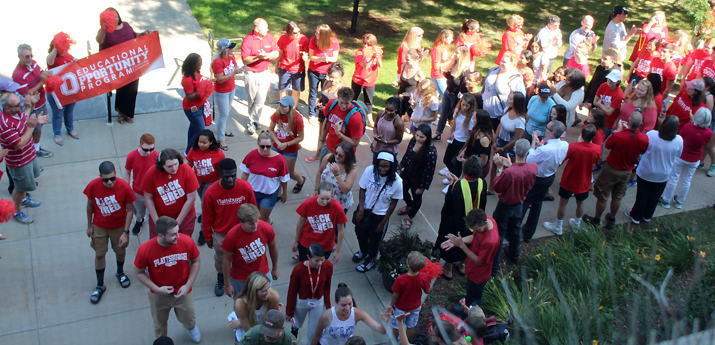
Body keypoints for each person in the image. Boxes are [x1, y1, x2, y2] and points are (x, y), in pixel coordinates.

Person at [133, 216, 201, 342]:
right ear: (160, 235)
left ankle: (191, 328)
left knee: (189, 317)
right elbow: (139, 272)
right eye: (173, 234)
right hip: (159, 294)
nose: (178, 236)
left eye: (178, 232)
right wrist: (156, 289)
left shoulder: (186, 241)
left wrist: (187, 285)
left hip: (183, 290)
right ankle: (161, 340)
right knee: (160, 323)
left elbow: (196, 261)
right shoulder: (145, 250)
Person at [202, 158, 257, 297]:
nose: (231, 179)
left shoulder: (245, 187)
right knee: (221, 258)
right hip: (222, 234)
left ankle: (245, 278)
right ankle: (222, 278)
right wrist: (208, 236)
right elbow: (207, 217)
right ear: (219, 174)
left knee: (245, 256)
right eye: (227, 177)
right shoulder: (211, 192)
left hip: (243, 231)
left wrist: (254, 229)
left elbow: (254, 210)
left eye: (233, 175)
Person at [583, 112, 649, 228]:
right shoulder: (644, 138)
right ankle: (612, 219)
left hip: (611, 169)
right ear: (641, 124)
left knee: (603, 196)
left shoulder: (618, 136)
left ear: (628, 121)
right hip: (626, 172)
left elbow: (607, 145)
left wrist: (618, 130)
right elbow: (643, 152)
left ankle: (596, 219)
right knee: (617, 197)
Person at [84, 161, 136, 304]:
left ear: (116, 174)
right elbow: (90, 205)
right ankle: (100, 285)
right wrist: (89, 225)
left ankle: (120, 272)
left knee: (120, 251)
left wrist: (125, 232)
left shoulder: (124, 187)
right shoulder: (93, 186)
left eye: (112, 178)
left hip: (119, 226)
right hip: (100, 226)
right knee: (99, 254)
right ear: (100, 176)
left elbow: (130, 210)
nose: (109, 182)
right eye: (105, 179)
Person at [543, 125, 602, 234]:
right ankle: (576, 224)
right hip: (584, 181)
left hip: (569, 179)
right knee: (580, 203)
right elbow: (597, 162)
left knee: (563, 202)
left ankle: (558, 225)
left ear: (581, 135)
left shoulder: (574, 146)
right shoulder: (597, 149)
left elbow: (564, 159)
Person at [96, 7, 150, 124]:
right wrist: (103, 29)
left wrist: (143, 34)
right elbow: (99, 41)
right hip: (117, 67)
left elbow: (134, 35)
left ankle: (129, 113)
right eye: (111, 17)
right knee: (122, 90)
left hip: (131, 64)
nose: (114, 19)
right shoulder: (105, 31)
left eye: (115, 16)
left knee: (132, 90)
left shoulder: (126, 25)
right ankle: (121, 112)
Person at [624, 116, 682, 224]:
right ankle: (647, 216)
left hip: (646, 172)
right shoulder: (679, 140)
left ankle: (636, 216)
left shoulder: (652, 135)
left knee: (642, 195)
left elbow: (643, 148)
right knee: (654, 197)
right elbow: (678, 154)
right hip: (663, 175)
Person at [437, 156, 487, 280]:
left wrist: (451, 184)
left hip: (455, 222)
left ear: (464, 171)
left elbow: (448, 202)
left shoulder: (458, 186)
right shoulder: (482, 183)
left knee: (453, 242)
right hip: (473, 223)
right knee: (468, 242)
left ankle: (448, 269)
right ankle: (462, 266)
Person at [0, 93, 47, 224]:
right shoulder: (5, 124)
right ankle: (16, 211)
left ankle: (24, 198)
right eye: (17, 104)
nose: (20, 105)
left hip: (29, 157)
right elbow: (19, 144)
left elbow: (24, 119)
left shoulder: (16, 112)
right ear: (8, 108)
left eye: (20, 102)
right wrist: (32, 127)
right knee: (19, 187)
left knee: (24, 185)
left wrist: (29, 106)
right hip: (19, 162)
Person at [352, 152, 403, 272]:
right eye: (380, 166)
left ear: (391, 166)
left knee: (375, 240)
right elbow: (362, 189)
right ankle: (363, 251)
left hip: (380, 215)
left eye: (386, 166)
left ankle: (370, 259)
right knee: (360, 233)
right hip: (365, 210)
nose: (383, 169)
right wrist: (361, 209)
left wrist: (383, 222)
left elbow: (393, 204)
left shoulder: (397, 182)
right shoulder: (369, 171)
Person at [491, 139, 538, 269]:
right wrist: (510, 166)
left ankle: (494, 266)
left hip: (504, 206)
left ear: (515, 150)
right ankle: (514, 255)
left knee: (499, 234)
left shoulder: (509, 172)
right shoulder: (533, 168)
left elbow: (497, 187)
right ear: (528, 152)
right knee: (515, 231)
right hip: (519, 205)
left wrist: (500, 168)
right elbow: (521, 175)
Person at [520, 121, 568, 241]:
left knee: (525, 203)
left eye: (547, 128)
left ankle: (513, 229)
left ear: (552, 133)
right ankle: (529, 232)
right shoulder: (564, 145)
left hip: (537, 179)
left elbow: (530, 158)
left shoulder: (545, 150)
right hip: (550, 176)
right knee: (537, 204)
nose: (545, 129)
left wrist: (533, 141)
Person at [442, 208, 500, 307]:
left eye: (477, 230)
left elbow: (479, 261)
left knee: (474, 298)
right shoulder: (485, 220)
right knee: (470, 292)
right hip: (472, 269)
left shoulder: (491, 241)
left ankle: (469, 314)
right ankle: (467, 304)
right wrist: (458, 241)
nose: (475, 231)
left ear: (485, 222)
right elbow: (475, 237)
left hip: (479, 274)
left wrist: (461, 245)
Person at [222, 204, 280, 299]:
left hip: (263, 273)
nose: (255, 225)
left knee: (266, 302)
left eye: (256, 221)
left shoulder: (266, 228)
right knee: (242, 306)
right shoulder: (232, 236)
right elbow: (226, 259)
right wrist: (227, 284)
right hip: (241, 279)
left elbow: (273, 247)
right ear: (241, 222)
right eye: (251, 223)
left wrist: (275, 267)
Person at [660, 108, 714, 209]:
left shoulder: (688, 127)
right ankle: (679, 201)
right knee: (687, 180)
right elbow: (706, 143)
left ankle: (666, 200)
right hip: (695, 159)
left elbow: (680, 137)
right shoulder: (709, 133)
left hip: (681, 156)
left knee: (674, 178)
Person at [143, 148, 199, 238]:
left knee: (182, 244)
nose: (174, 169)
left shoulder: (186, 170)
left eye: (175, 164)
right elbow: (148, 198)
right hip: (161, 217)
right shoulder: (151, 173)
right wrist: (157, 222)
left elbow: (191, 198)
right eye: (169, 166)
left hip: (184, 217)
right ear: (161, 166)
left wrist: (177, 223)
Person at [310, 283, 391, 345]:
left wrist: (385, 322)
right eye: (343, 305)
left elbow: (381, 330)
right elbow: (317, 335)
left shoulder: (358, 313)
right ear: (336, 302)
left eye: (350, 303)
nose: (347, 308)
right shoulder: (326, 316)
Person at [286, 243, 334, 345]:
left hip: (317, 301)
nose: (320, 263)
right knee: (296, 323)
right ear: (308, 257)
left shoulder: (328, 266)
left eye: (322, 259)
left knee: (314, 330)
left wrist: (328, 305)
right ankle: (294, 330)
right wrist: (289, 310)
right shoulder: (298, 269)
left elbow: (327, 286)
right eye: (316, 260)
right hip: (301, 301)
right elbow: (292, 290)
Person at [240, 131, 290, 223]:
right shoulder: (251, 155)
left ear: (272, 144)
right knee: (254, 215)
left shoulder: (279, 159)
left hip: (269, 194)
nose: (265, 149)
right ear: (258, 144)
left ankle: (267, 222)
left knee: (262, 217)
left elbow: (284, 179)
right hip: (253, 192)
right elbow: (245, 173)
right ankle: (267, 222)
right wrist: (241, 190)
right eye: (262, 146)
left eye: (268, 147)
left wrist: (284, 193)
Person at [186, 129, 225, 245]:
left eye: (204, 143)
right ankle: (205, 215)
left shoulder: (218, 153)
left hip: (212, 183)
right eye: (199, 142)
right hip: (198, 181)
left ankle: (204, 230)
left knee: (205, 204)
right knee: (203, 201)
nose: (201, 145)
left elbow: (223, 170)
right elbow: (189, 165)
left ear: (211, 142)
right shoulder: (194, 150)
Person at [13, 44, 52, 158]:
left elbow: (41, 74)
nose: (30, 58)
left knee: (40, 126)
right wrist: (41, 82)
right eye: (26, 56)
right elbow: (27, 94)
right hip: (33, 107)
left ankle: (36, 147)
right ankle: (35, 150)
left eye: (31, 55)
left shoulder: (33, 63)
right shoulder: (18, 75)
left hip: (42, 101)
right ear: (19, 56)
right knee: (34, 129)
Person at [242, 18, 279, 134]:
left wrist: (266, 55)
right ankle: (253, 118)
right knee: (252, 99)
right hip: (251, 74)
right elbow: (245, 60)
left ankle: (253, 121)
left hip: (264, 73)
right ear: (256, 29)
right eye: (265, 27)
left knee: (261, 99)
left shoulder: (269, 37)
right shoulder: (248, 39)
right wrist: (258, 57)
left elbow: (276, 53)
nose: (268, 29)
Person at [294, 183, 348, 261]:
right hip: (306, 243)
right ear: (317, 194)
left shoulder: (337, 207)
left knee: (319, 268)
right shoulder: (308, 203)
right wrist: (296, 241)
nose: (324, 202)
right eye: (322, 198)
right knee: (305, 266)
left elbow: (341, 229)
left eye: (328, 199)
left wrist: (338, 251)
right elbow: (301, 223)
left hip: (325, 246)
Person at [397, 124, 437, 229]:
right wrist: (400, 167)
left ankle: (410, 217)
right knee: (402, 191)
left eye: (422, 137)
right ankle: (409, 206)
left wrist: (423, 187)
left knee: (417, 198)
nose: (418, 139)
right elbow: (407, 155)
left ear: (428, 138)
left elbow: (430, 171)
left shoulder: (431, 151)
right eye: (417, 135)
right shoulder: (413, 141)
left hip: (419, 178)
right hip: (407, 173)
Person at [307, 62, 346, 163]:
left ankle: (333, 156)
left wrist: (325, 108)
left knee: (332, 137)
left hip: (331, 116)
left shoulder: (340, 89)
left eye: (336, 78)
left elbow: (339, 106)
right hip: (322, 113)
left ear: (340, 77)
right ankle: (318, 154)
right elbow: (323, 94)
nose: (333, 80)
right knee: (321, 136)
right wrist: (318, 101)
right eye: (331, 77)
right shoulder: (325, 82)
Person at [488, 91, 526, 194]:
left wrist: (503, 149)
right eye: (509, 97)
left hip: (510, 147)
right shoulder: (507, 110)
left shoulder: (520, 121)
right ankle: (490, 188)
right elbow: (500, 124)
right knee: (495, 165)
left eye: (511, 99)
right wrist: (495, 140)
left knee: (507, 170)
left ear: (517, 102)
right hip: (500, 142)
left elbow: (516, 140)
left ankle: (505, 191)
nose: (508, 100)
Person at [389, 251, 431, 339]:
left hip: (401, 307)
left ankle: (394, 341)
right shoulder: (423, 277)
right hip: (415, 307)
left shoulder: (401, 279)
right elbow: (427, 291)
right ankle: (406, 343)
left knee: (397, 326)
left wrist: (392, 306)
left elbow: (395, 296)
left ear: (408, 265)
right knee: (411, 326)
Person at [46, 35, 79, 146]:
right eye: (62, 46)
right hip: (55, 92)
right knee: (58, 113)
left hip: (68, 90)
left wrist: (76, 62)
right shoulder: (53, 58)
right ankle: (57, 134)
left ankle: (70, 129)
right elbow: (49, 62)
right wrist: (56, 46)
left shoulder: (68, 55)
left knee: (69, 111)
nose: (64, 49)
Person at [269, 96, 306, 193]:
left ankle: (301, 180)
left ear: (290, 107)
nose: (281, 108)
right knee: (275, 170)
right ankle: (278, 193)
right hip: (277, 146)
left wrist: (286, 144)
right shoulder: (277, 114)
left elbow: (301, 137)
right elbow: (271, 130)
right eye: (280, 105)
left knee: (289, 173)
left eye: (284, 106)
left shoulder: (297, 118)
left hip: (290, 149)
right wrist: (277, 142)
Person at [434, 46, 472, 140]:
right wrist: (452, 62)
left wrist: (458, 102)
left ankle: (454, 135)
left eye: (457, 53)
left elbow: (463, 89)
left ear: (463, 56)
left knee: (452, 117)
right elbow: (447, 74)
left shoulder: (465, 71)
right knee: (443, 114)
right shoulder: (455, 64)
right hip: (448, 93)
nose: (454, 54)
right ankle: (438, 133)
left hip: (456, 97)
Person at [230, 271, 282, 341]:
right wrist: (243, 323)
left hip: (267, 336)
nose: (268, 293)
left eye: (268, 288)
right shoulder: (241, 304)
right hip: (248, 336)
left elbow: (272, 326)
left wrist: (278, 316)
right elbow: (250, 332)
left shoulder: (273, 297)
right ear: (253, 291)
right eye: (264, 291)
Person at [125, 133, 159, 234]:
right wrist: (127, 188)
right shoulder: (132, 156)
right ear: (139, 146)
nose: (148, 152)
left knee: (152, 215)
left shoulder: (157, 156)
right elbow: (127, 171)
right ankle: (139, 221)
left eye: (151, 149)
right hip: (138, 192)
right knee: (139, 213)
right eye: (145, 149)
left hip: (153, 193)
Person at [483, 51, 526, 129]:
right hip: (485, 112)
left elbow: (519, 98)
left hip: (500, 115)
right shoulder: (494, 70)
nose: (502, 63)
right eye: (501, 60)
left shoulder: (515, 77)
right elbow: (484, 87)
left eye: (505, 62)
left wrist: (508, 113)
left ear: (511, 64)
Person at [321, 87, 364, 163]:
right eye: (341, 102)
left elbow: (355, 143)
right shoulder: (332, 104)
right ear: (338, 98)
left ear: (351, 100)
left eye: (347, 103)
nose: (343, 106)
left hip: (344, 153)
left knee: (338, 174)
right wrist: (321, 140)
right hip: (328, 146)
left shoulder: (356, 118)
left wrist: (339, 134)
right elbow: (327, 121)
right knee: (322, 172)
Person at [308, 24, 340, 122]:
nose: (315, 34)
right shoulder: (313, 40)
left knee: (326, 93)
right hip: (314, 71)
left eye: (318, 32)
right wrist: (321, 58)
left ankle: (324, 114)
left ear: (324, 35)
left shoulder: (334, 42)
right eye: (316, 31)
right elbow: (311, 56)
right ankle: (311, 114)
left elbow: (334, 58)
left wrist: (328, 59)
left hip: (327, 72)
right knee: (313, 92)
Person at [442, 94, 478, 182]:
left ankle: (454, 181)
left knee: (458, 164)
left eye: (467, 106)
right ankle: (452, 175)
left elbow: (469, 136)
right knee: (446, 159)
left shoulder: (471, 118)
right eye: (463, 104)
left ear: (471, 106)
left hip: (463, 142)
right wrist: (450, 132)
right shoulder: (457, 111)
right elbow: (454, 124)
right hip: (455, 139)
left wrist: (464, 148)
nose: (464, 107)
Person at [212, 38, 240, 151]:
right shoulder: (217, 62)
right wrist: (233, 73)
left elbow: (235, 67)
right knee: (223, 115)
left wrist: (240, 69)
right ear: (224, 50)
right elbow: (219, 79)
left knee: (226, 112)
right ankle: (221, 138)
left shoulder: (231, 57)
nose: (232, 50)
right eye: (230, 48)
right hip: (222, 92)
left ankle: (223, 130)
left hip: (231, 89)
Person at [316, 141, 358, 215]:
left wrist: (337, 175)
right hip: (324, 199)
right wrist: (316, 190)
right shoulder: (328, 158)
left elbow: (346, 190)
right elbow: (319, 172)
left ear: (347, 156)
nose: (337, 156)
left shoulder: (352, 168)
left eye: (341, 155)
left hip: (339, 203)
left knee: (336, 225)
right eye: (336, 153)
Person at [277, 21, 309, 109]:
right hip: (284, 68)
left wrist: (306, 57)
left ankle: (292, 109)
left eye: (299, 31)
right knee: (283, 89)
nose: (298, 34)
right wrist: (277, 66)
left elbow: (307, 53)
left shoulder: (304, 39)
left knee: (296, 90)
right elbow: (280, 53)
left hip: (298, 70)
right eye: (295, 33)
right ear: (289, 32)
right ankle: (284, 107)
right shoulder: (283, 39)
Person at [181, 53, 208, 155]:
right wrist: (201, 90)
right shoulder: (188, 79)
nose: (201, 63)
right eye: (199, 62)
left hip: (199, 106)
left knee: (193, 128)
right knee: (200, 131)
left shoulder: (196, 72)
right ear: (193, 64)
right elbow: (189, 96)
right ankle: (190, 151)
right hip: (192, 109)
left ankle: (189, 150)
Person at [352, 33, 382, 120]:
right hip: (358, 79)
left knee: (369, 101)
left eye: (368, 44)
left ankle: (370, 120)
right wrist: (372, 58)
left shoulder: (376, 52)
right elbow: (365, 66)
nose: (365, 45)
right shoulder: (359, 53)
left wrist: (378, 57)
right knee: (354, 99)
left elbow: (380, 65)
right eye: (364, 43)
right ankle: (351, 115)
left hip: (370, 81)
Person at [459, 110, 493, 180]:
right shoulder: (476, 130)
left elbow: (483, 162)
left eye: (474, 118)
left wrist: (466, 161)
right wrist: (464, 151)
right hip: (469, 163)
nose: (472, 119)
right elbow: (471, 144)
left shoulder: (484, 139)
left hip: (476, 170)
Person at [395, 49, 425, 123]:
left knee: (411, 117)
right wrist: (397, 83)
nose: (406, 61)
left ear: (415, 60)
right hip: (401, 94)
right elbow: (403, 81)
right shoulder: (404, 66)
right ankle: (400, 127)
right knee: (397, 115)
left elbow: (423, 88)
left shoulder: (419, 73)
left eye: (408, 59)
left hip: (411, 98)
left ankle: (413, 131)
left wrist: (412, 97)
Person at [592, 70, 624, 136]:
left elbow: (609, 112)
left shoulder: (619, 94)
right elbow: (595, 102)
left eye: (612, 81)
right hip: (597, 118)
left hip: (607, 124)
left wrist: (600, 104)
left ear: (617, 82)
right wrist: (605, 107)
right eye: (609, 79)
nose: (609, 82)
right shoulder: (603, 86)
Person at [430, 29, 455, 102]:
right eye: (450, 38)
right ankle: (441, 111)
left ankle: (435, 110)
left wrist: (450, 58)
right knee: (445, 96)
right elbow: (437, 66)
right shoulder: (437, 49)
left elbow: (444, 59)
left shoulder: (445, 47)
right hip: (438, 76)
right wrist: (450, 61)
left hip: (444, 74)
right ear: (444, 38)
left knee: (435, 96)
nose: (452, 40)